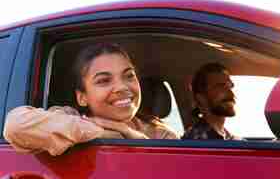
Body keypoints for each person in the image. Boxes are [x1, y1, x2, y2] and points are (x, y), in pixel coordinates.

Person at [3, 43, 178, 156]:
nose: (122, 87)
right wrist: (98, 131)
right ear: (82, 97)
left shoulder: (161, 134)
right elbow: (16, 126)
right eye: (103, 81)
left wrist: (130, 134)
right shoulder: (69, 117)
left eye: (129, 76)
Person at [182, 62, 240, 140]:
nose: (230, 93)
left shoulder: (230, 138)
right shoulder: (197, 141)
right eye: (220, 86)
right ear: (201, 98)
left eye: (230, 86)